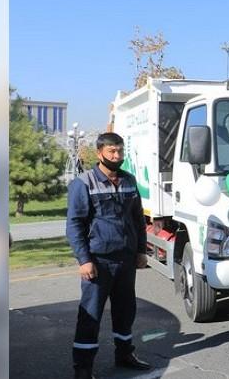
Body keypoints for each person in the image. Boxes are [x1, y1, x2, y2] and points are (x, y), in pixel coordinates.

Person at [66, 133, 152, 379]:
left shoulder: (128, 180)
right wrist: (84, 260)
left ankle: (124, 354)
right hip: (98, 261)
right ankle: (83, 368)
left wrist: (140, 251)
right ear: (100, 153)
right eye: (112, 151)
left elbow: (137, 220)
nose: (117, 156)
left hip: (125, 259)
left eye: (120, 151)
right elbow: (75, 225)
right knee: (90, 315)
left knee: (126, 310)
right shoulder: (84, 183)